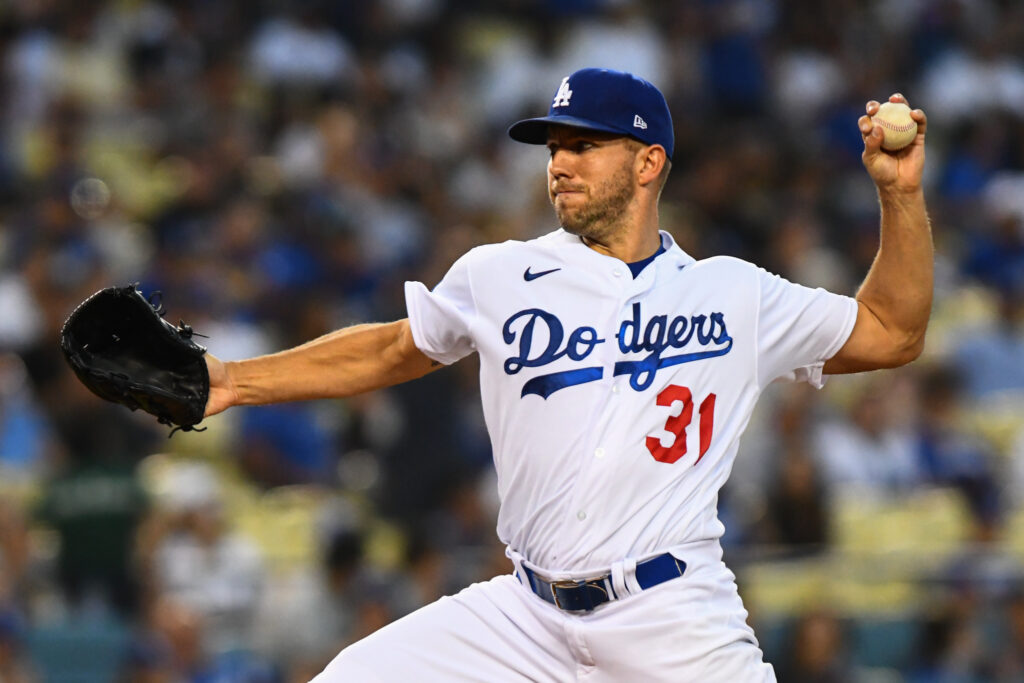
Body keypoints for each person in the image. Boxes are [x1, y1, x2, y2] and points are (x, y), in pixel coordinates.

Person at [203, 68, 932, 681]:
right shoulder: (499, 273)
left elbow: (893, 332)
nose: (560, 162)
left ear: (648, 162)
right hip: (524, 618)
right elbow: (397, 348)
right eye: (554, 145)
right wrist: (234, 379)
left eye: (584, 144)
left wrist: (898, 194)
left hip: (671, 616)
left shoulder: (734, 292)